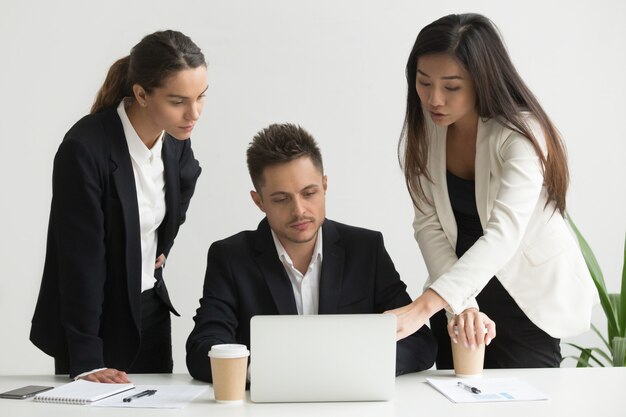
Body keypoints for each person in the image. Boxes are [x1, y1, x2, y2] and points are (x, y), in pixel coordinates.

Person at [388, 13, 597, 369]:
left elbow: (504, 234)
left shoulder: (520, 134)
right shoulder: (428, 130)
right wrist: (462, 303)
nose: (434, 99)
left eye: (451, 87)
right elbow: (428, 227)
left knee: (531, 399)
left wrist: (422, 307)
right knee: (451, 398)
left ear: (481, 81)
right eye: (424, 83)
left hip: (525, 297)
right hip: (455, 288)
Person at [186, 123, 437, 382]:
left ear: (324, 185)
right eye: (281, 199)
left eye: (309, 193)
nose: (299, 211)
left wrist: (354, 366)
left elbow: (419, 343)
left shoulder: (366, 249)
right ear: (258, 201)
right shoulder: (230, 257)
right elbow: (202, 347)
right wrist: (264, 374)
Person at [30, 30, 207, 382]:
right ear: (141, 93)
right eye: (178, 101)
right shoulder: (85, 149)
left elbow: (185, 183)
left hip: (149, 311)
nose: (194, 113)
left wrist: (163, 246)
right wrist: (86, 359)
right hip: (94, 322)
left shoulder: (175, 140)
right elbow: (80, 261)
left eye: (201, 97)